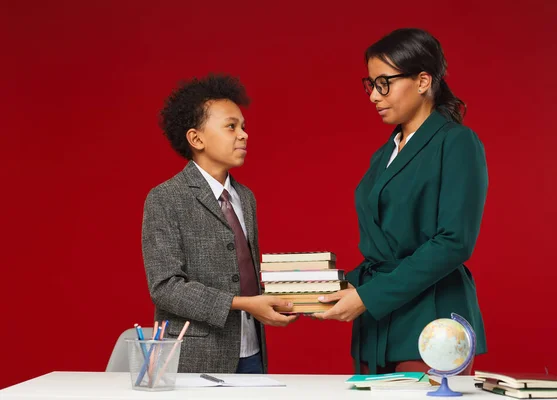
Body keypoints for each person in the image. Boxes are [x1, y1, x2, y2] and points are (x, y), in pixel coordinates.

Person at [316, 28, 488, 375]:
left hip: (431, 324)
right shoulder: (384, 154)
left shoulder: (456, 143)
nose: (374, 96)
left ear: (423, 80)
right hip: (378, 324)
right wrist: (316, 289)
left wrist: (368, 296)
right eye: (371, 85)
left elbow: (454, 241)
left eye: (385, 83)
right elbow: (383, 246)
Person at [141, 74, 296, 374]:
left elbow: (244, 275)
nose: (243, 135)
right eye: (231, 126)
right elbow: (165, 287)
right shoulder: (165, 198)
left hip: (252, 349)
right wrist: (243, 303)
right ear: (196, 138)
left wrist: (286, 298)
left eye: (243, 127)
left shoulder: (245, 197)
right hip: (195, 356)